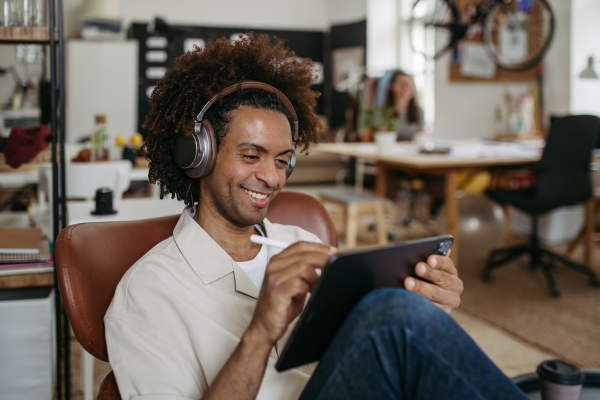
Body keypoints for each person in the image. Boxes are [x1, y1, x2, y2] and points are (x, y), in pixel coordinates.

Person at [104, 33, 528, 400]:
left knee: (395, 311)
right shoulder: (147, 292)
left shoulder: (298, 242)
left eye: (283, 161)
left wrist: (428, 305)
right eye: (251, 155)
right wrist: (260, 332)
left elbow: (364, 354)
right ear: (198, 154)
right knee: (391, 316)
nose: (270, 177)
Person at [383, 70, 424, 141]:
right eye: (402, 83)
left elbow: (421, 136)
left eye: (409, 83)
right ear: (392, 86)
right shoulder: (384, 113)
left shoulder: (418, 112)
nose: (406, 87)